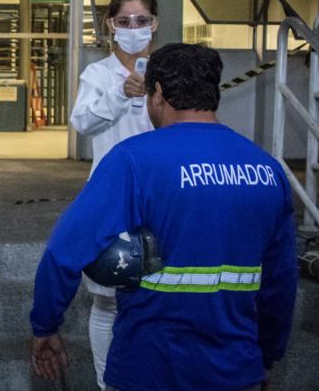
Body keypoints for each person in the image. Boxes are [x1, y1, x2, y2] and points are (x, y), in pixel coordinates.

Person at [29, 43, 297, 391]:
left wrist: (45, 325)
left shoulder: (133, 160)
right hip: (236, 369)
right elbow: (280, 281)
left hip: (148, 366)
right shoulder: (266, 169)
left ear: (157, 93)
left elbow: (64, 251)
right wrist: (266, 356)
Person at [68, 0, 158, 389]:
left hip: (160, 198)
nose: (133, 29)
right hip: (111, 199)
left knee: (156, 296)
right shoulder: (98, 75)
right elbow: (83, 122)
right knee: (106, 299)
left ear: (155, 23)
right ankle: (107, 384)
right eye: (125, 21)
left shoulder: (165, 72)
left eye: (142, 21)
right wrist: (120, 94)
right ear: (110, 24)